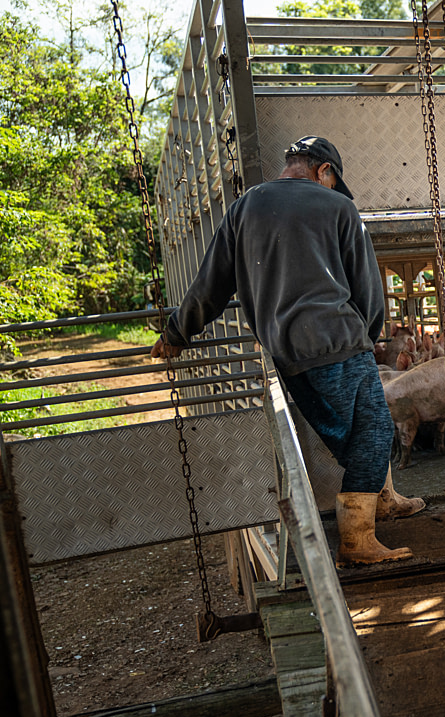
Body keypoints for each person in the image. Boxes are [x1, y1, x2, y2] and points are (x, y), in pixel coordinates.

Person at [150, 135, 424, 566]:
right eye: (333, 181)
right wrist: (368, 338)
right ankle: (357, 542)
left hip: (286, 354)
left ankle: (383, 499)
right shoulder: (338, 208)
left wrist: (176, 334)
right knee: (372, 435)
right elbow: (368, 287)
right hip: (339, 344)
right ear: (324, 171)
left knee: (348, 434)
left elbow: (211, 284)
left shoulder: (244, 206)